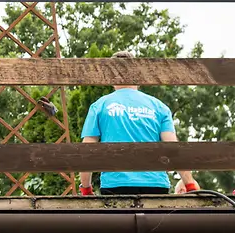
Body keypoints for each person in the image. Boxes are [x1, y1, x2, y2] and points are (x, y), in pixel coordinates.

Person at [78, 51, 198, 195]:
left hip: (115, 185)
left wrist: (86, 188)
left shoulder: (99, 106)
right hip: (156, 185)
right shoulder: (159, 107)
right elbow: (173, 149)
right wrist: (190, 185)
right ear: (138, 76)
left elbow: (87, 151)